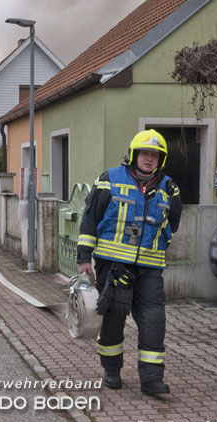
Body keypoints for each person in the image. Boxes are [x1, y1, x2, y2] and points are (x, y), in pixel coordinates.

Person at [76, 129, 182, 396]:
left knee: (153, 321)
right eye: (145, 153)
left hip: (150, 269)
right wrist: (83, 258)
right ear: (134, 155)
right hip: (113, 266)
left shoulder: (169, 188)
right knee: (113, 319)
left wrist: (161, 243)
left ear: (161, 159)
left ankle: (151, 380)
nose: (149, 159)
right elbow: (90, 220)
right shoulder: (109, 180)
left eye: (155, 155)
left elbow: (174, 223)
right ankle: (112, 371)